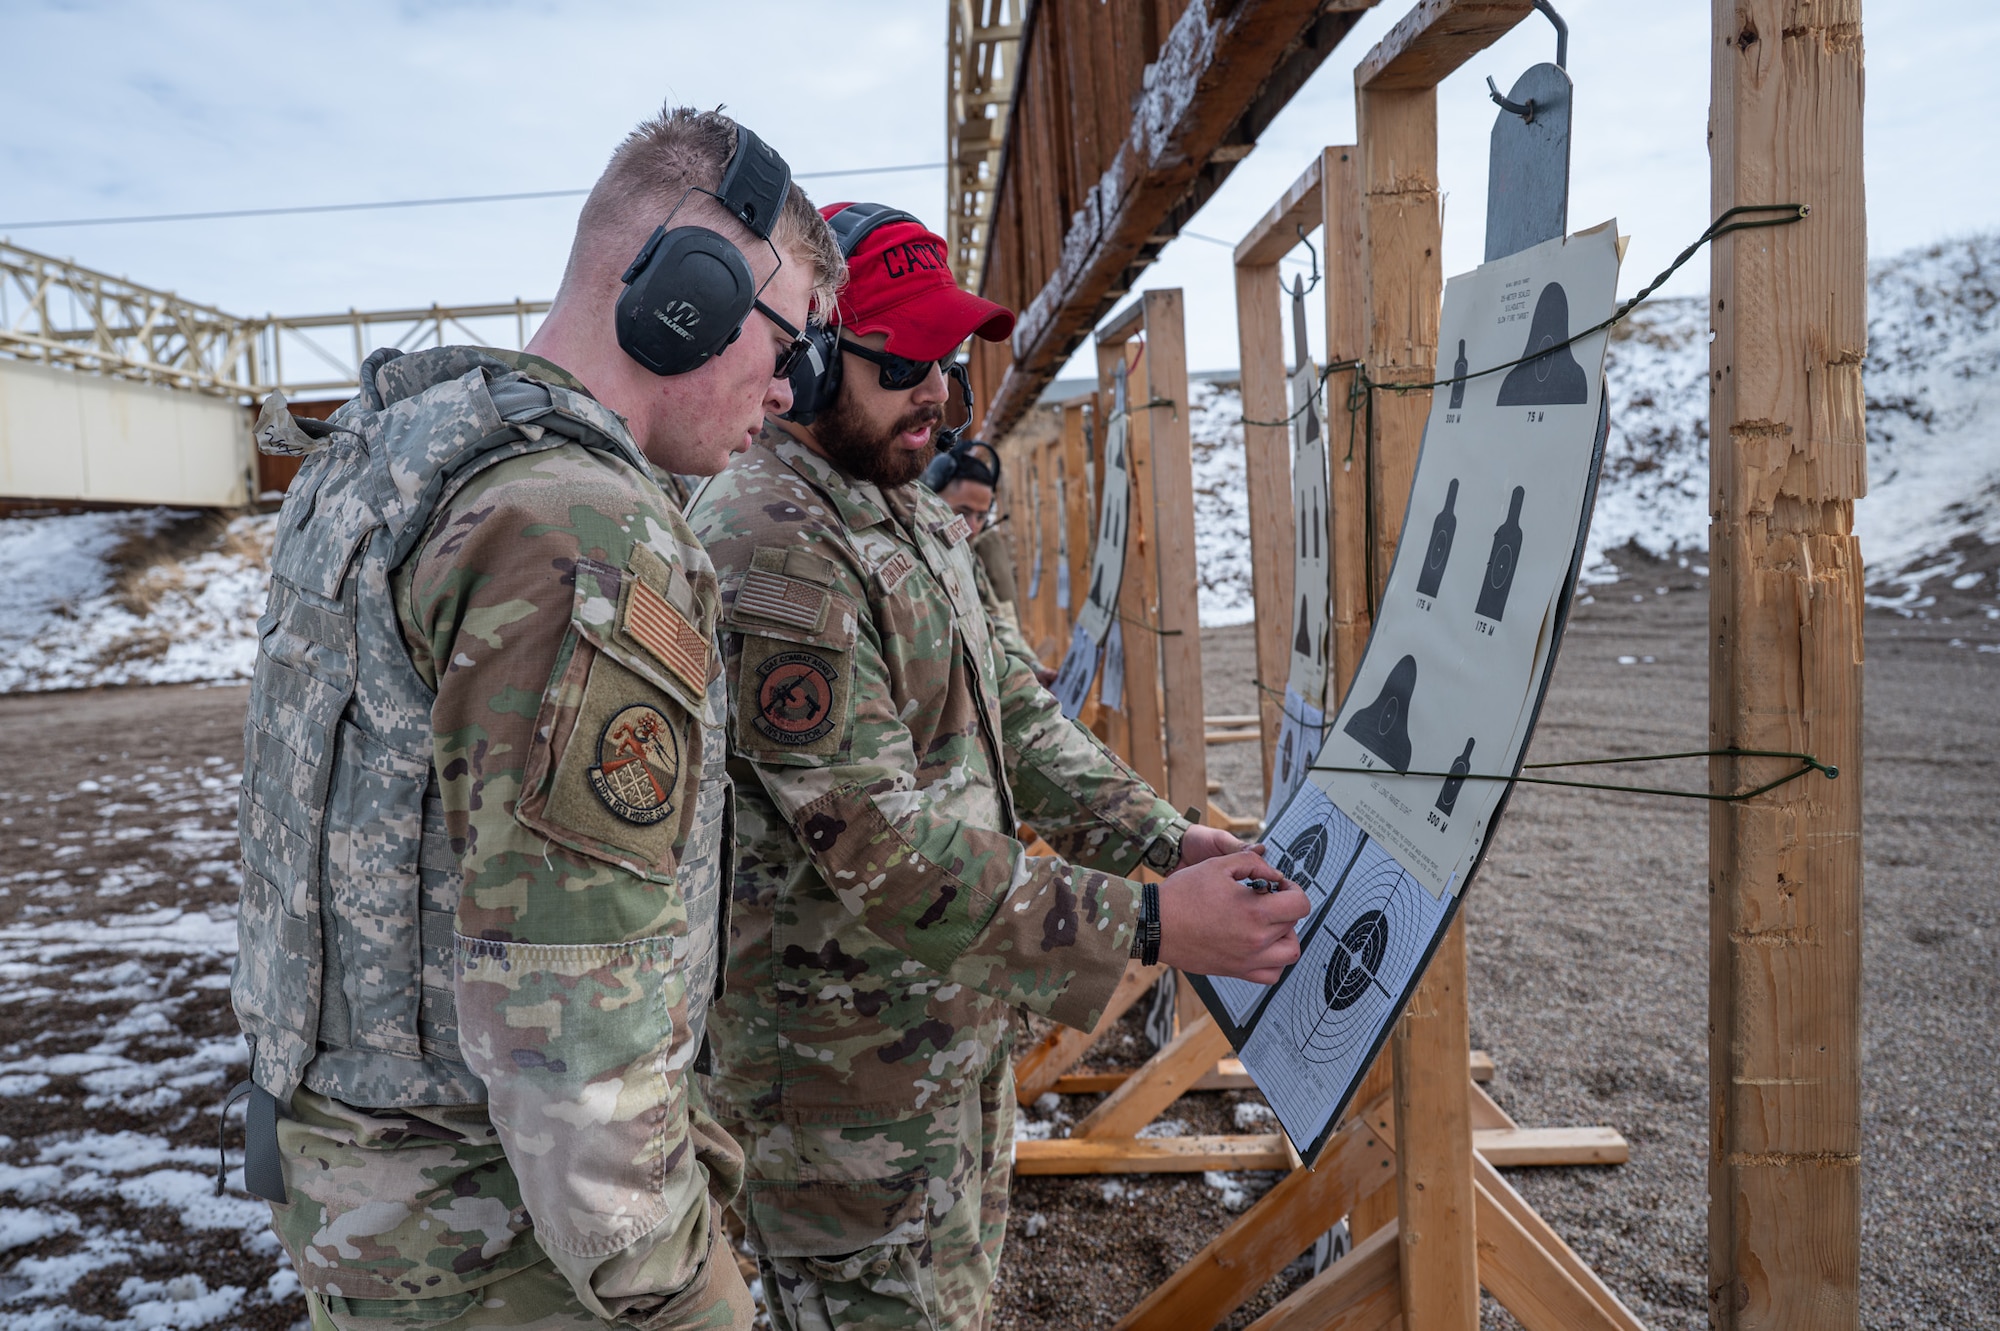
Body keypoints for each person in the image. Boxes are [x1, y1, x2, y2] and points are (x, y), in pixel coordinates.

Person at [230, 106, 844, 1331]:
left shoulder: (393, 450)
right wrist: (683, 1294)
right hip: (504, 1241)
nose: (785, 391)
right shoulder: (578, 527)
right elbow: (573, 1029)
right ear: (689, 299)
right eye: (787, 344)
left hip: (367, 1187)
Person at [687, 203, 1308, 1331]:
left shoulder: (904, 511)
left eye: (949, 359)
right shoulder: (773, 543)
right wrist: (1153, 922)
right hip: (843, 1088)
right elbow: (881, 849)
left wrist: (1164, 841)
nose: (938, 390)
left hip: (944, 1035)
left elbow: (1018, 715)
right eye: (904, 362)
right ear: (813, 363)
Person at [921, 438, 1056, 685]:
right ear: (930, 495)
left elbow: (992, 620)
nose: (972, 527)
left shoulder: (968, 558)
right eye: (961, 512)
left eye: (981, 516)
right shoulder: (914, 553)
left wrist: (1031, 668)